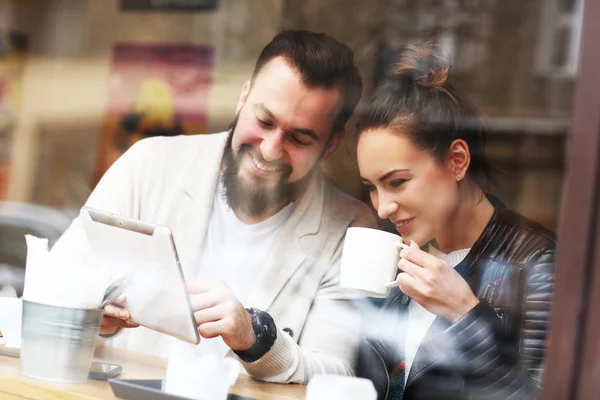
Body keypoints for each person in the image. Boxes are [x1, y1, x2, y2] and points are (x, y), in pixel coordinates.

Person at [53, 30, 374, 384]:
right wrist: (93, 312)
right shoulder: (148, 165)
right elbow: (55, 285)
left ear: (331, 145)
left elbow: (336, 372)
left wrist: (255, 337)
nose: (270, 150)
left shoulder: (350, 228)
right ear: (242, 97)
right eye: (264, 121)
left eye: (299, 138)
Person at [354, 38, 555, 399]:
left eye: (397, 182)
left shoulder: (537, 263)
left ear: (457, 161)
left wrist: (465, 314)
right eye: (372, 186)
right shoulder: (391, 253)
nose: (382, 207)